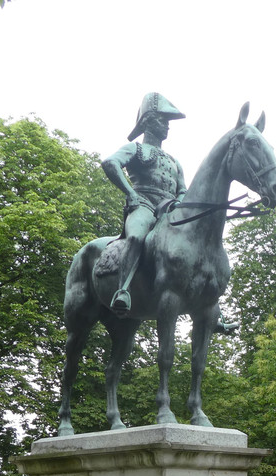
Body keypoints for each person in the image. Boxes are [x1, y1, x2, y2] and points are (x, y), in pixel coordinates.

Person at [101, 92, 188, 315]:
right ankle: (122, 290)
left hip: (169, 210)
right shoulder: (135, 149)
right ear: (148, 121)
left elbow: (182, 190)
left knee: (196, 245)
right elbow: (111, 163)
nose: (168, 126)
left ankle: (209, 305)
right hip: (144, 204)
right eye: (163, 121)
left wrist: (179, 202)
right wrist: (130, 193)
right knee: (136, 237)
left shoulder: (174, 161)